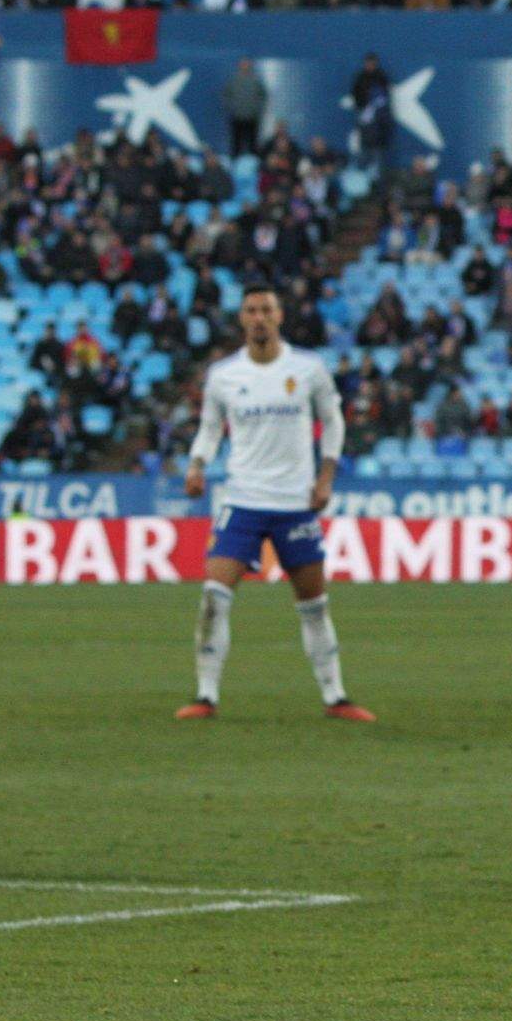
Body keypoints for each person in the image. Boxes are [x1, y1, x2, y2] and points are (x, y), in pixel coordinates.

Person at [180, 285, 375, 723]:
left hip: (294, 502)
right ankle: (206, 696)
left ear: (280, 316)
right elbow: (210, 429)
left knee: (314, 604)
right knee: (213, 596)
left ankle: (336, 697)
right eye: (251, 310)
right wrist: (197, 465)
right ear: (242, 318)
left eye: (267, 310)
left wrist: (326, 477)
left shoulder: (307, 369)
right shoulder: (223, 375)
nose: (259, 318)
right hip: (242, 500)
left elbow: (333, 421)